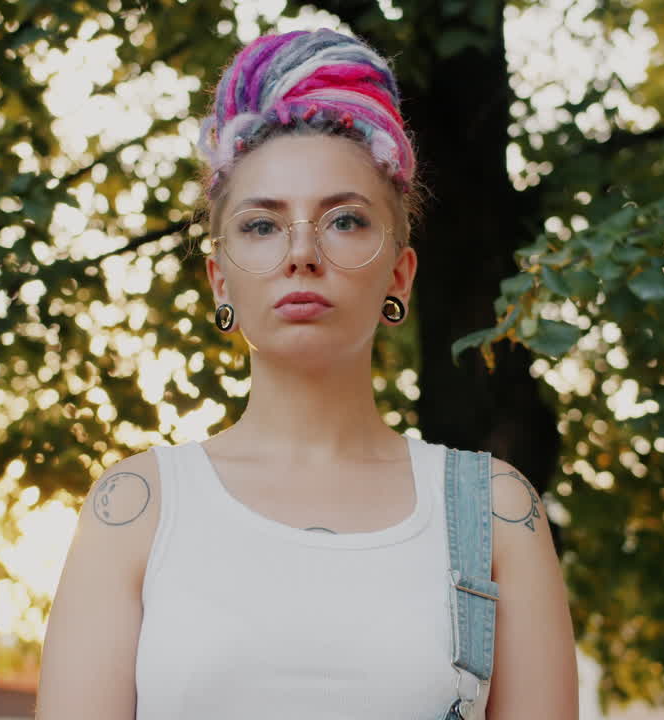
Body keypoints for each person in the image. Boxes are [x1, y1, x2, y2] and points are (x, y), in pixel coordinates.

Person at [35, 28, 577, 720]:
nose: (301, 252)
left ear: (401, 277)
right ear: (219, 282)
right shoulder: (136, 510)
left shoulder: (497, 515)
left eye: (344, 220)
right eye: (261, 225)